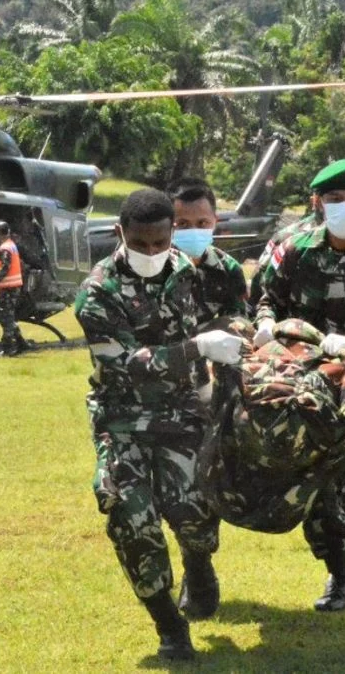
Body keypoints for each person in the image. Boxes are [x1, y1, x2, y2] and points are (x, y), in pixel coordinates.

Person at [74, 188, 246, 661]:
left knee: (194, 515)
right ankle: (170, 626)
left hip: (183, 414)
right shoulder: (96, 293)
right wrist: (198, 349)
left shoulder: (186, 273)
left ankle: (199, 561)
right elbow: (128, 362)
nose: (151, 253)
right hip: (122, 420)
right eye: (140, 244)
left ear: (172, 233)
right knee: (131, 518)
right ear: (120, 234)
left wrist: (223, 360)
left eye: (159, 243)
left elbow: (207, 328)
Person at [253, 158, 345, 612]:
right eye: (335, 200)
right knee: (316, 478)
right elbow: (264, 300)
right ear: (317, 202)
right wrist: (266, 327)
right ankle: (340, 571)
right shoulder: (292, 247)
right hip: (309, 382)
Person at [167, 178, 249, 328]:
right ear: (168, 224)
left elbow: (237, 322)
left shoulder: (228, 269)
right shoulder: (153, 266)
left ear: (215, 222)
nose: (193, 231)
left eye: (202, 223)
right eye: (182, 224)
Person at [0, 220, 30, 356]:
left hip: (7, 288)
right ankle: (21, 344)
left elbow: (5, 268)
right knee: (9, 316)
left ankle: (8, 348)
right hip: (12, 287)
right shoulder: (11, 246)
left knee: (6, 317)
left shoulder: (5, 248)